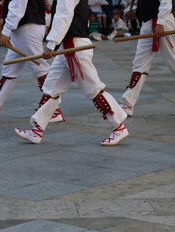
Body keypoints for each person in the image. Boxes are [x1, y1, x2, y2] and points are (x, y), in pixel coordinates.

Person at [15, 0, 129, 146]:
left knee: (93, 88)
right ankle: (37, 130)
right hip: (67, 47)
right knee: (51, 88)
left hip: (74, 47)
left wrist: (50, 45)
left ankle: (118, 127)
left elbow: (63, 16)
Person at [0, 0, 64, 123]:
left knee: (40, 68)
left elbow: (17, 7)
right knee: (10, 68)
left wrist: (6, 31)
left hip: (27, 28)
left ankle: (53, 111)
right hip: (23, 28)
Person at [119, 0, 175, 117]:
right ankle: (128, 103)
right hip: (147, 24)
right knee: (139, 63)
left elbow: (166, 2)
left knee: (173, 62)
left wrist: (160, 23)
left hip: (163, 24)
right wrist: (137, 13)